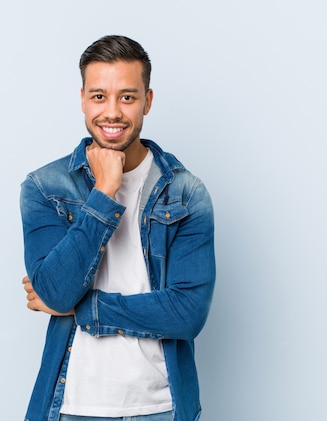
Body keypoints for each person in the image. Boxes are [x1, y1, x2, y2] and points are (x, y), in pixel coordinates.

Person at [20, 35, 216, 421]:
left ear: (148, 100)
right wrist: (105, 192)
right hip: (72, 407)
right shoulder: (45, 187)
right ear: (82, 99)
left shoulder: (186, 193)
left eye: (127, 97)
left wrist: (85, 308)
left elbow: (187, 313)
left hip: (161, 407)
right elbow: (57, 292)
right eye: (99, 96)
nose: (112, 112)